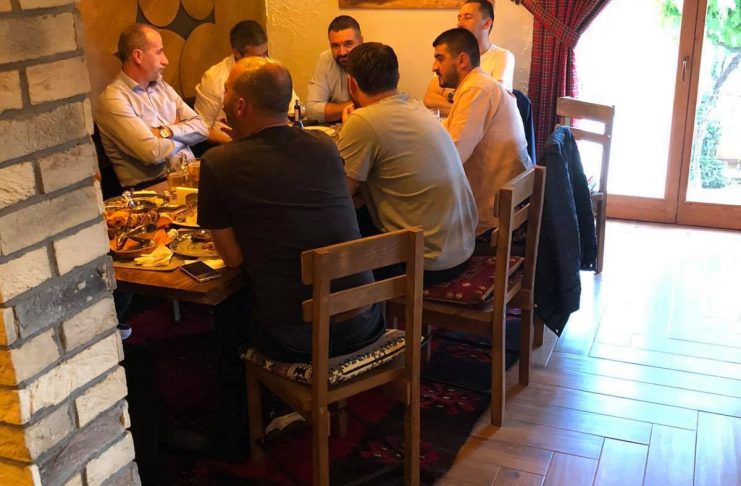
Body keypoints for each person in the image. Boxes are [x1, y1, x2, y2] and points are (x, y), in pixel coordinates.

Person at [198, 56, 384, 362]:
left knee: (229, 315)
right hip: (365, 322)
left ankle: (251, 393)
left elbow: (232, 258)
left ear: (241, 106)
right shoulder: (324, 145)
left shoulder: (218, 162)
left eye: (227, 90)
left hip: (299, 339)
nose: (224, 97)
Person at [339, 42, 477, 286]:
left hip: (427, 263)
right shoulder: (415, 105)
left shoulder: (362, 121)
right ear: (397, 77)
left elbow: (341, 194)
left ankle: (357, 309)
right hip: (461, 249)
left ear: (352, 83)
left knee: (336, 233)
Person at [433, 28, 532, 239]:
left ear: (462, 60)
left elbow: (453, 156)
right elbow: (449, 132)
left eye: (439, 59)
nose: (434, 67)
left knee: (405, 213)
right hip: (504, 205)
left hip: (490, 220)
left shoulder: (476, 90)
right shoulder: (478, 84)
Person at [96, 23, 207, 188]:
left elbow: (203, 128)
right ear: (138, 56)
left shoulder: (161, 86)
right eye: (159, 52)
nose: (166, 61)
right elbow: (152, 153)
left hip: (189, 176)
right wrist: (185, 139)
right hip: (152, 188)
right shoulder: (113, 99)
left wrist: (167, 131)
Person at [194, 20, 300, 144]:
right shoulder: (214, 78)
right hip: (231, 146)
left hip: (274, 143)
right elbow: (201, 129)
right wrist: (236, 143)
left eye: (265, 54)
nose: (263, 61)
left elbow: (292, 112)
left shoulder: (273, 72)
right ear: (236, 53)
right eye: (256, 56)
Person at [424, 0, 515, 117]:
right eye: (459, 18)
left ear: (487, 23)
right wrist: (467, 112)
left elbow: (494, 104)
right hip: (450, 124)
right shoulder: (452, 54)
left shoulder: (502, 56)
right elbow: (430, 99)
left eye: (467, 17)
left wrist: (455, 108)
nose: (460, 24)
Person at [305, 15, 363, 123]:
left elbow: (380, 107)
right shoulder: (325, 60)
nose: (342, 52)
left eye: (348, 44)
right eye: (335, 46)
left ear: (361, 41)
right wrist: (358, 104)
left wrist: (332, 110)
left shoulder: (374, 60)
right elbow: (311, 110)